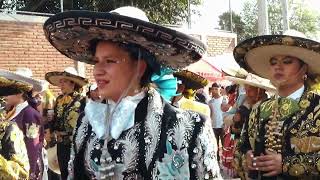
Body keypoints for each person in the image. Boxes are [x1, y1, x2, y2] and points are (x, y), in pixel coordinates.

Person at [43, 6, 221, 179]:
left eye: (110, 61)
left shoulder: (190, 127)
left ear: (139, 67)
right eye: (97, 61)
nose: (97, 71)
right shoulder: (86, 123)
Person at [234, 32, 320, 179]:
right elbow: (240, 149)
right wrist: (246, 158)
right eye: (273, 62)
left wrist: (287, 164)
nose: (278, 67)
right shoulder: (258, 109)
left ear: (303, 68)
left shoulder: (317, 106)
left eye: (287, 62)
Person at [0, 68, 45, 179]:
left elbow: (32, 145)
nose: (4, 96)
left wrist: (31, 173)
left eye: (9, 92)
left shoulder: (30, 114)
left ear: (20, 93)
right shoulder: (11, 112)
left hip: (25, 168)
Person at [45, 67, 88, 180]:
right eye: (60, 81)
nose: (61, 84)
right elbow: (55, 121)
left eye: (64, 81)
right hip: (61, 144)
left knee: (77, 172)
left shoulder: (82, 100)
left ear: (72, 83)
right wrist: (50, 122)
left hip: (76, 144)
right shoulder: (59, 99)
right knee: (64, 172)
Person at [208, 82, 224, 162]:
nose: (214, 91)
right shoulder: (210, 102)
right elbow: (209, 114)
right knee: (215, 145)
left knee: (225, 145)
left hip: (223, 126)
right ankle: (216, 162)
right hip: (214, 126)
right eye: (213, 89)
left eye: (216, 89)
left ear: (220, 90)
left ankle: (225, 162)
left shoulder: (224, 99)